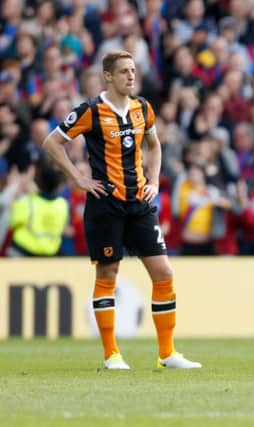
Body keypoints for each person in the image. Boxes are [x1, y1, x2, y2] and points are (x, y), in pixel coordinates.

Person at [41, 50, 201, 370]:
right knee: (108, 275)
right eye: (124, 71)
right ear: (108, 77)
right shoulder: (91, 111)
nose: (131, 76)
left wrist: (154, 180)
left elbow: (154, 146)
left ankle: (167, 354)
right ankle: (112, 354)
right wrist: (78, 179)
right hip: (106, 205)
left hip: (140, 204)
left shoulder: (143, 108)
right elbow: (51, 143)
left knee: (164, 273)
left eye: (133, 70)